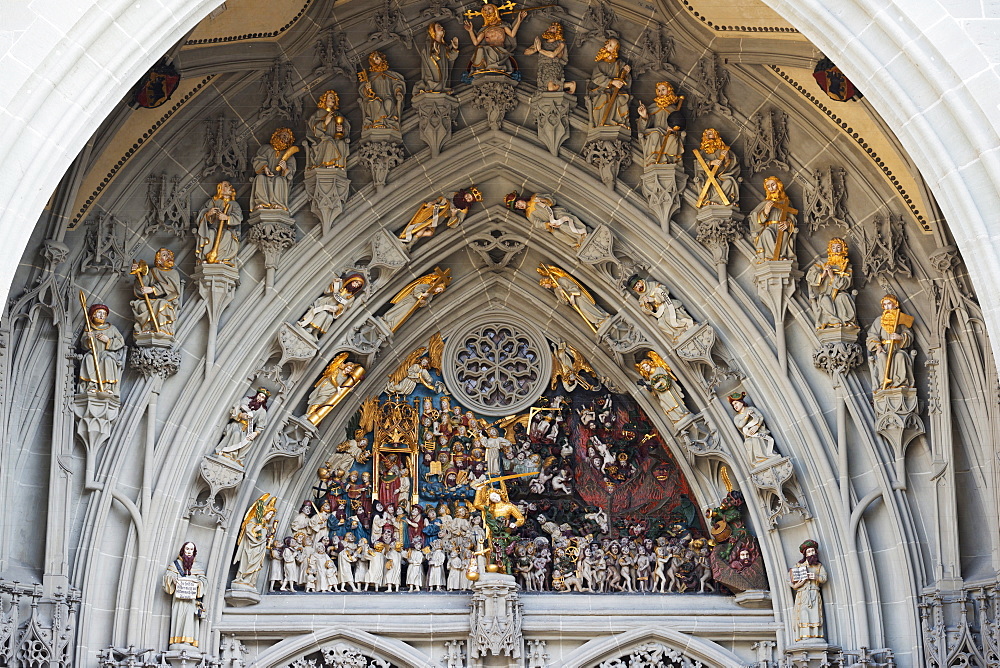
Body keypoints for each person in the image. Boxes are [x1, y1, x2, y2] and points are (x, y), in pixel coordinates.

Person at [537, 264, 610, 332]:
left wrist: (572, 296)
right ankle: (598, 323)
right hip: (575, 303)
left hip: (579, 297)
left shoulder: (561, 280)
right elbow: (564, 302)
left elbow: (574, 286)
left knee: (586, 308)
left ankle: (602, 318)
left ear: (547, 281)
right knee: (584, 312)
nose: (546, 287)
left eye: (545, 285)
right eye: (544, 287)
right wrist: (561, 293)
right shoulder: (556, 290)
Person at [162, 542, 207, 650]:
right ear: (183, 550)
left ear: (194, 552)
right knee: (179, 617)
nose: (189, 551)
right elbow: (168, 576)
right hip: (179, 599)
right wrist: (173, 579)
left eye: (191, 549)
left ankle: (189, 642)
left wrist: (198, 583)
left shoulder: (197, 567)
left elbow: (204, 581)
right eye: (187, 548)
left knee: (189, 620)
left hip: (191, 601)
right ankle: (177, 641)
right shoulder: (175, 565)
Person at [463, 4, 527, 78]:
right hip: (488, 50)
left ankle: (496, 67)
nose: (487, 12)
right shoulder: (485, 29)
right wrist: (470, 31)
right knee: (480, 49)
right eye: (485, 10)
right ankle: (480, 68)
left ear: (495, 10)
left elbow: (512, 34)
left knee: (489, 49)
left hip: (500, 51)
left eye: (489, 9)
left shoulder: (503, 26)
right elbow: (476, 42)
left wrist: (519, 21)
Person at [806, 237, 857, 329]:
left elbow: (847, 282)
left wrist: (833, 276)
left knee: (843, 297)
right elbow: (810, 276)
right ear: (830, 249)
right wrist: (823, 275)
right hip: (825, 293)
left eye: (839, 247)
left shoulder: (847, 265)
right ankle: (834, 321)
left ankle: (846, 321)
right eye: (834, 247)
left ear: (843, 249)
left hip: (840, 292)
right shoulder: (822, 263)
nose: (836, 250)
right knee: (825, 300)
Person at [866, 294, 915, 390]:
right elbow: (872, 335)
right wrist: (878, 346)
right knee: (882, 356)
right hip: (884, 348)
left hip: (897, 348)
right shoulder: (878, 320)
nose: (887, 307)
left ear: (895, 305)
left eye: (889, 304)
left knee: (900, 356)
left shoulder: (900, 318)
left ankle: (900, 383)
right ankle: (883, 383)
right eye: (885, 305)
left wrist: (900, 337)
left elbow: (909, 334)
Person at [505, 191, 588, 248]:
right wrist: (547, 224)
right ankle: (576, 243)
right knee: (558, 231)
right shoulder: (528, 214)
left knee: (564, 223)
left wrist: (544, 200)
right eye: (517, 207)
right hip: (552, 223)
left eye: (518, 203)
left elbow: (550, 199)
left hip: (556, 213)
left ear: (520, 199)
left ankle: (581, 234)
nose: (520, 206)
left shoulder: (534, 198)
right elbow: (537, 223)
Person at [296, 273, 366, 339]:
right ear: (351, 280)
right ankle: (310, 328)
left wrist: (337, 308)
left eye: (358, 285)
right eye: (356, 282)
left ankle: (316, 331)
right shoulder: (340, 284)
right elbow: (327, 291)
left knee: (329, 318)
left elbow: (344, 306)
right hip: (324, 303)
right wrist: (334, 284)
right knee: (323, 313)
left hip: (331, 310)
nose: (356, 285)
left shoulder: (351, 297)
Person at [129, 247, 181, 336]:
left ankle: (163, 329)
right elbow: (143, 286)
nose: (168, 257)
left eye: (169, 255)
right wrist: (139, 275)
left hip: (167, 300)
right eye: (164, 255)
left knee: (162, 304)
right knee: (142, 306)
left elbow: (173, 289)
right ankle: (146, 329)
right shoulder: (153, 271)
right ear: (159, 260)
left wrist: (153, 289)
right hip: (152, 300)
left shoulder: (174, 273)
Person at [78, 303, 126, 396]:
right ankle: (92, 385)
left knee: (107, 360)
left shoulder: (111, 328)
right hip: (93, 353)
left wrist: (108, 340)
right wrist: (88, 340)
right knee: (88, 359)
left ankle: (107, 387)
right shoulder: (89, 328)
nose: (101, 315)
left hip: (107, 353)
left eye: (104, 314)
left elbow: (121, 341)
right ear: (93, 315)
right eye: (99, 313)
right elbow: (83, 344)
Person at [304, 353, 365, 426]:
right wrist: (337, 387)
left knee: (323, 403)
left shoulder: (345, 377)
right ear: (345, 366)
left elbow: (343, 387)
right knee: (320, 400)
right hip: (327, 387)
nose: (348, 370)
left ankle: (312, 415)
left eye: (350, 370)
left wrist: (349, 389)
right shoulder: (338, 370)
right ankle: (307, 415)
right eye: (348, 368)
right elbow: (332, 378)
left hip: (332, 392)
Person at [214, 389, 270, 463]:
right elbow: (234, 409)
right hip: (236, 424)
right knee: (236, 433)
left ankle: (237, 459)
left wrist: (255, 433)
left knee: (249, 442)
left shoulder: (262, 411)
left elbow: (260, 425)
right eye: (259, 395)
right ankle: (228, 453)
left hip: (246, 429)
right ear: (256, 395)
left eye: (262, 397)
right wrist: (241, 415)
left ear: (264, 400)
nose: (260, 398)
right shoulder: (246, 401)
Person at [750, 176, 798, 263]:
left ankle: (781, 256)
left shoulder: (786, 202)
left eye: (773, 185)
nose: (771, 188)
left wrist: (788, 223)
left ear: (778, 185)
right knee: (766, 232)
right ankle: (774, 257)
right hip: (769, 227)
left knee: (785, 234)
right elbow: (754, 218)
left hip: (781, 227)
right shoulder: (765, 204)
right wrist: (765, 212)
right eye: (768, 186)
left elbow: (793, 218)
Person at [232, 495, 277, 588]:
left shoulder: (265, 525)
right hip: (251, 546)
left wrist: (268, 538)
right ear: (264, 512)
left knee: (256, 565)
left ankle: (251, 581)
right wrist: (256, 529)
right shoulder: (254, 520)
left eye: (271, 515)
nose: (270, 516)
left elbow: (263, 536)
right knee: (248, 561)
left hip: (260, 548)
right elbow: (248, 532)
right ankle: (242, 577)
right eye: (269, 514)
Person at [637, 81, 685, 166]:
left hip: (669, 132)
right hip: (656, 131)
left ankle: (668, 161)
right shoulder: (653, 107)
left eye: (663, 89)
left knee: (672, 138)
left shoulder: (674, 109)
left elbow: (680, 125)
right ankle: (653, 159)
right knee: (655, 135)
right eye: (658, 90)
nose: (660, 92)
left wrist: (674, 129)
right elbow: (646, 125)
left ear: (669, 91)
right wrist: (644, 116)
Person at [586, 39, 631, 129]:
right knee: (604, 98)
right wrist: (612, 82)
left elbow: (627, 83)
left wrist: (627, 73)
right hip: (601, 91)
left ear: (614, 50)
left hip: (616, 92)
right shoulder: (600, 65)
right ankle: (602, 122)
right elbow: (596, 78)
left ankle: (616, 122)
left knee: (620, 99)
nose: (606, 47)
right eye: (607, 44)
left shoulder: (620, 64)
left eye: (610, 45)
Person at [635, 352, 690, 425]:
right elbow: (653, 387)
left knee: (673, 402)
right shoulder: (650, 377)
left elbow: (667, 378)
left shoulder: (659, 369)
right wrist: (648, 387)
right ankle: (676, 418)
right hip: (661, 395)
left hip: (668, 391)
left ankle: (682, 413)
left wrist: (660, 383)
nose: (646, 368)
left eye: (646, 366)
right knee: (665, 405)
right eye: (644, 368)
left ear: (650, 364)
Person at [789, 540, 828, 642]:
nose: (811, 553)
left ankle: (815, 635)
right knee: (803, 614)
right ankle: (804, 636)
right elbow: (790, 580)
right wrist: (798, 584)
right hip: (802, 595)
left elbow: (824, 578)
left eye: (813, 551)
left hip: (814, 593)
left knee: (814, 615)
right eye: (809, 552)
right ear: (805, 554)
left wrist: (815, 576)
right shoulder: (798, 566)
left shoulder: (819, 566)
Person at [195, 181, 242, 265]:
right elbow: (201, 215)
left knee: (227, 234)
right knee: (210, 233)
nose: (230, 187)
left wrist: (227, 218)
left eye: (230, 185)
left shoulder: (234, 204)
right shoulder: (212, 202)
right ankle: (207, 256)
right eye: (226, 186)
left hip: (227, 230)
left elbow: (238, 217)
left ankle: (219, 257)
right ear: (220, 189)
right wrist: (209, 214)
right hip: (213, 228)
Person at [250, 127, 297, 212]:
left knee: (280, 180)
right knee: (260, 178)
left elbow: (291, 172)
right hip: (265, 175)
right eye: (283, 135)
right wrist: (265, 168)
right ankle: (262, 203)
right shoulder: (266, 148)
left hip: (279, 177)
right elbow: (258, 160)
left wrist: (285, 169)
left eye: (287, 138)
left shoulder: (289, 156)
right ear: (277, 135)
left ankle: (278, 204)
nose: (284, 139)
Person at [727, 392, 779, 466]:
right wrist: (747, 416)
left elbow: (760, 417)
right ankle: (758, 459)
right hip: (749, 436)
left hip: (759, 431)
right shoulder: (737, 417)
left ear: (741, 402)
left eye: (735, 403)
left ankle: (768, 455)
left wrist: (757, 426)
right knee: (750, 442)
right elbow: (740, 425)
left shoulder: (751, 409)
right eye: (733, 405)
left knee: (759, 439)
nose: (735, 406)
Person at [358, 51, 405, 133]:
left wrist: (398, 91)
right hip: (375, 99)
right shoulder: (370, 77)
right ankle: (378, 123)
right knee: (376, 103)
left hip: (388, 96)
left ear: (382, 58)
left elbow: (396, 84)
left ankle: (388, 122)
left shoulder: (389, 74)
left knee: (389, 102)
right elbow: (364, 91)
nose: (376, 61)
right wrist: (367, 89)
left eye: (377, 58)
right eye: (374, 60)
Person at [303, 90, 350, 171]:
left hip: (336, 139)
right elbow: (312, 127)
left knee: (341, 144)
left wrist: (342, 130)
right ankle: (329, 164)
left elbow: (346, 127)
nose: (333, 100)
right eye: (330, 97)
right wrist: (325, 123)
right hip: (322, 140)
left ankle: (339, 166)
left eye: (334, 98)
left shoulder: (337, 114)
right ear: (325, 99)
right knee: (329, 142)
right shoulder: (319, 113)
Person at [694, 128, 740, 206]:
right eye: (707, 135)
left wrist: (727, 158)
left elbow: (734, 163)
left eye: (710, 134)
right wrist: (711, 162)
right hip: (707, 178)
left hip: (722, 177)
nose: (708, 136)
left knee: (729, 182)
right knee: (708, 184)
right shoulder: (702, 153)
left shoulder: (723, 150)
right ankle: (714, 201)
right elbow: (698, 164)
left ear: (716, 136)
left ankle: (717, 201)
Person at [524, 22, 574, 93]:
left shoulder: (560, 43)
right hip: (543, 68)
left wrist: (540, 50)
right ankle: (569, 86)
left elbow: (553, 55)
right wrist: (535, 49)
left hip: (553, 66)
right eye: (550, 27)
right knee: (544, 86)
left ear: (558, 32)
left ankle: (570, 85)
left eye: (553, 28)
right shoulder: (542, 43)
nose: (549, 28)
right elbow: (526, 52)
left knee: (550, 87)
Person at [415, 22, 459, 93]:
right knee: (437, 80)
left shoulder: (444, 46)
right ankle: (435, 87)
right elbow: (427, 58)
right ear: (433, 31)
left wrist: (454, 49)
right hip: (434, 75)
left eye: (441, 26)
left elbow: (450, 58)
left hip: (443, 72)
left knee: (443, 77)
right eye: (438, 27)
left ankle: (443, 87)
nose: (442, 28)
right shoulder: (429, 45)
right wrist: (435, 54)